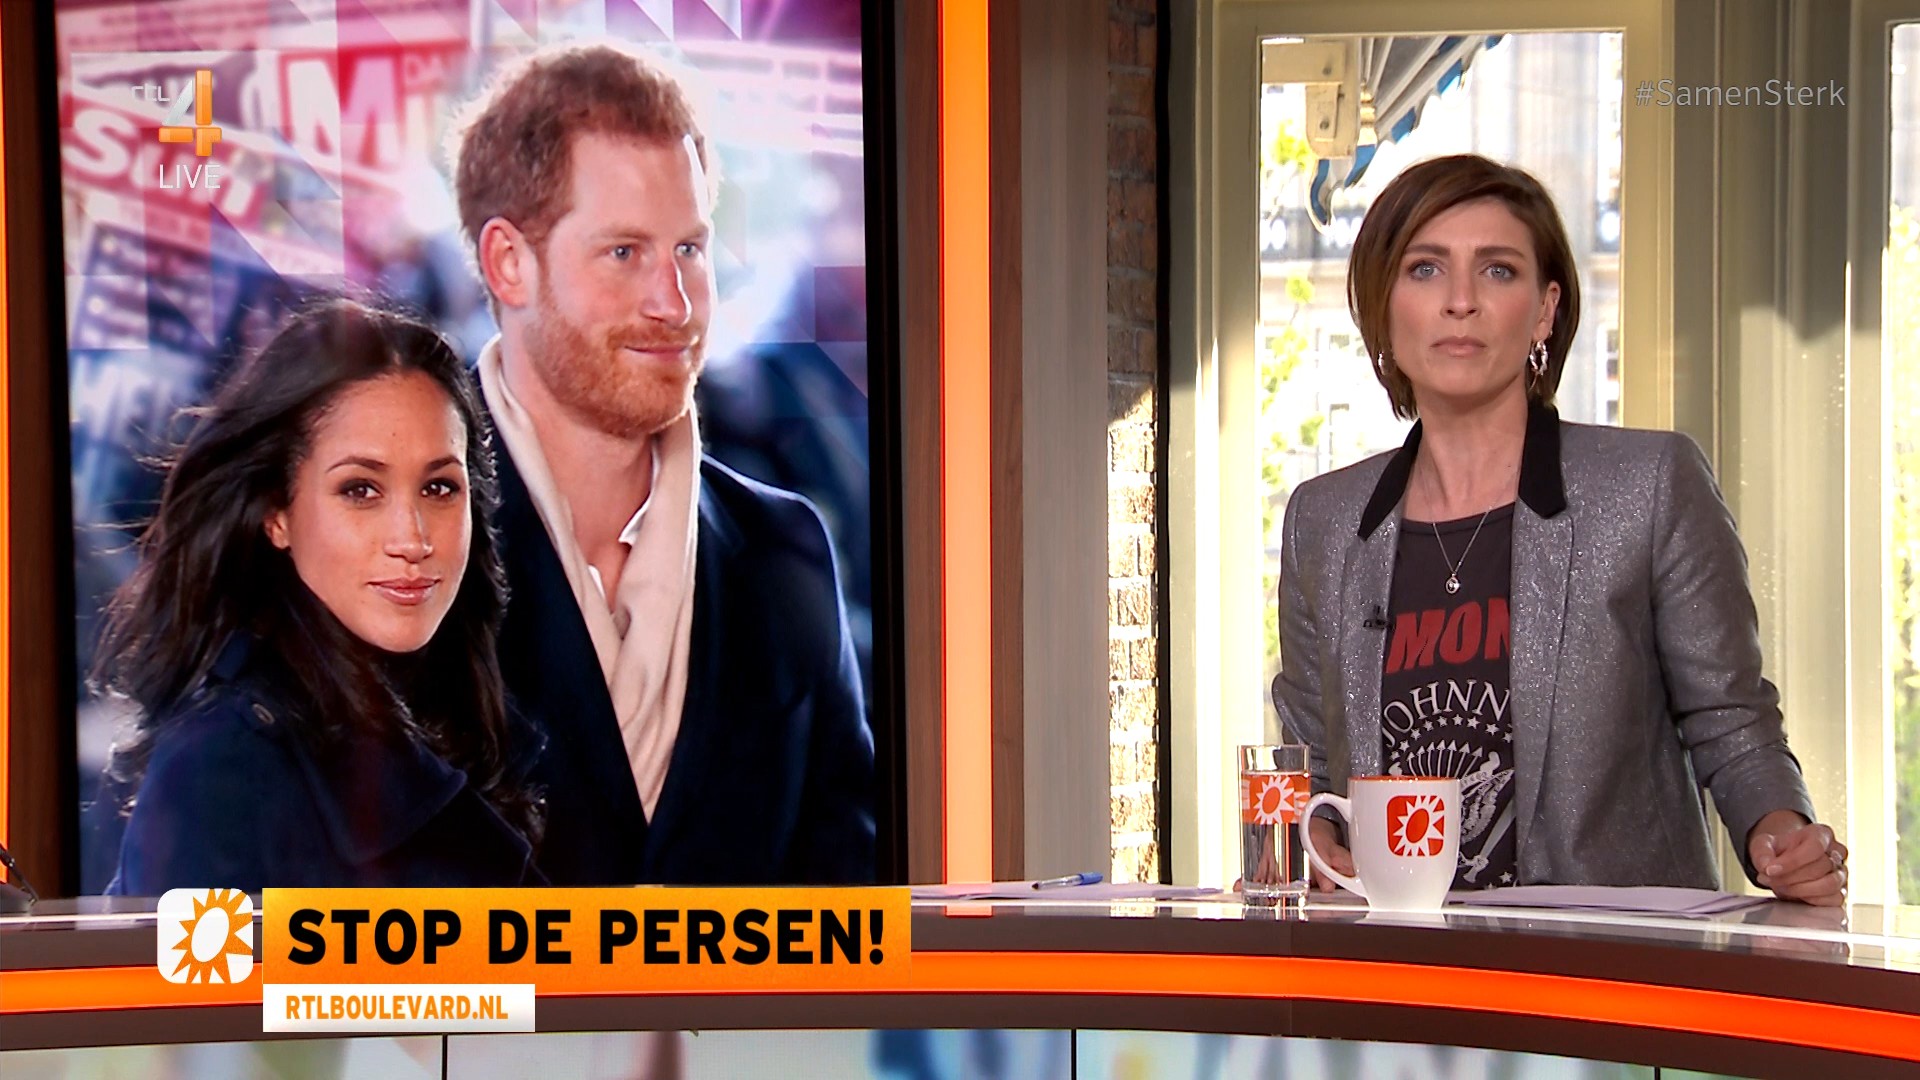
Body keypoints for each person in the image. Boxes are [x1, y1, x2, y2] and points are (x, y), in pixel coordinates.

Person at [1273, 154, 1846, 905]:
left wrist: (1781, 835)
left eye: (1498, 271)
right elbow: (1308, 763)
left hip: (1609, 959)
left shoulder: (1649, 485)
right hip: (1397, 961)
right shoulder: (1323, 521)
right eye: (1425, 269)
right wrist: (1308, 839)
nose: (1461, 302)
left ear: (1545, 311)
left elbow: (1731, 720)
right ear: (1384, 305)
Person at [445, 43, 875, 884]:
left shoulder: (785, 552)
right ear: (508, 263)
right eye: (625, 253)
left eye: (689, 250)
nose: (673, 304)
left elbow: (852, 907)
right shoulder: (395, 552)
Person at [99, 298, 544, 893]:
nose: (412, 539)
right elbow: (196, 960)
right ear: (276, 513)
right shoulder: (220, 768)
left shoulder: (477, 719)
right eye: (361, 490)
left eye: (439, 488)